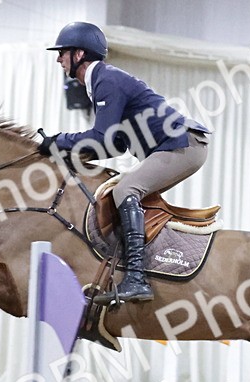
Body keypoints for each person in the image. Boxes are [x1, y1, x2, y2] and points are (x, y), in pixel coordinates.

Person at [38, 21, 210, 304]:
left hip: (184, 145)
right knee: (119, 186)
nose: (58, 58)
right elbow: (116, 143)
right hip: (178, 145)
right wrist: (69, 154)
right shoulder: (100, 82)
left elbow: (101, 137)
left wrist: (59, 141)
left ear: (79, 54)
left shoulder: (106, 80)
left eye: (62, 52)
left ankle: (136, 278)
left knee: (125, 190)